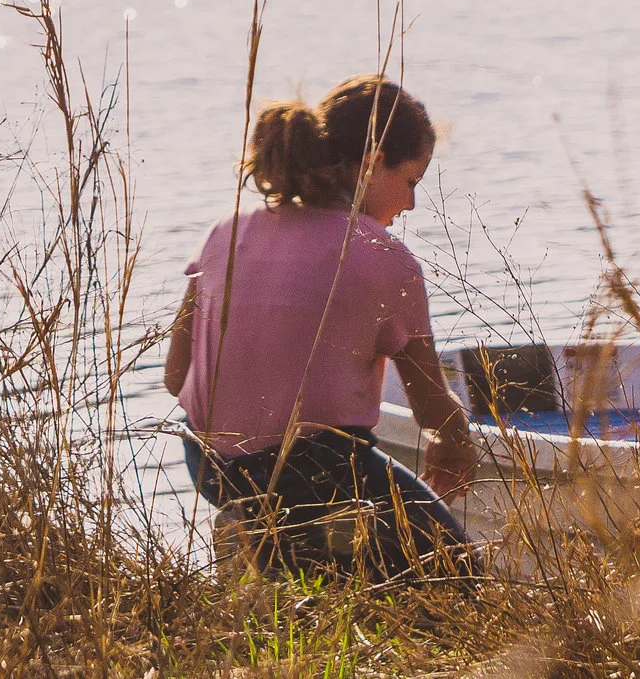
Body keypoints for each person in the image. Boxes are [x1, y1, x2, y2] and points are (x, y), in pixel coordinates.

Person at [163, 74, 480, 583]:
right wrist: (456, 444)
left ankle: (261, 543)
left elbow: (175, 376)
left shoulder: (227, 230)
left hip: (209, 467)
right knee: (459, 575)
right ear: (372, 163)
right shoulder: (384, 256)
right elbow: (431, 407)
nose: (411, 204)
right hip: (317, 475)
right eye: (411, 182)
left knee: (325, 560)